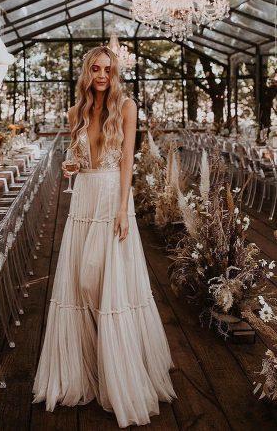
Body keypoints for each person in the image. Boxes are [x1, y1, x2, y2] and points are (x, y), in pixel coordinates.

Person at [33, 46, 176, 428]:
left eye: (107, 69)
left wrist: (122, 208)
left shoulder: (126, 107)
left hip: (113, 199)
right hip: (83, 200)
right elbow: (77, 159)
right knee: (81, 283)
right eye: (95, 69)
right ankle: (86, 368)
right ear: (87, 72)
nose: (100, 74)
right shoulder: (75, 111)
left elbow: (128, 158)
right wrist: (70, 164)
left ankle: (120, 369)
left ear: (114, 74)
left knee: (107, 284)